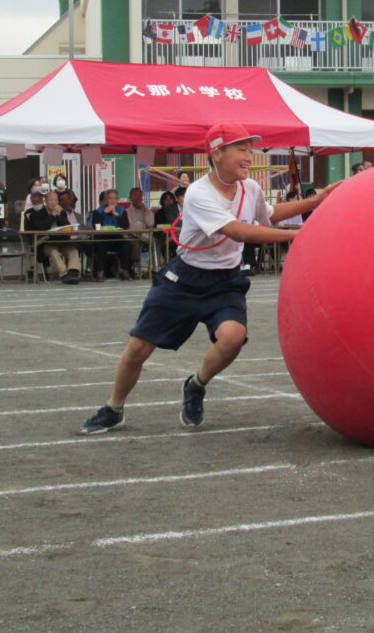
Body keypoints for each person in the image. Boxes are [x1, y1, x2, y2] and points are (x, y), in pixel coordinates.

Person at [79, 122, 340, 435]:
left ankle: (196, 384)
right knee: (138, 349)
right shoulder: (198, 193)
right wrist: (299, 235)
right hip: (184, 279)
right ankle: (114, 408)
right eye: (241, 149)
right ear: (216, 153)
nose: (249, 156)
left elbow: (267, 215)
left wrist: (315, 201)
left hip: (226, 281)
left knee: (232, 339)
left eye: (250, 149)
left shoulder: (250, 188)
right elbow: (237, 230)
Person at [26, 190, 82, 283]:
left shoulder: (62, 213)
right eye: (51, 200)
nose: (54, 202)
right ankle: (64, 274)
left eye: (56, 200)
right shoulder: (36, 215)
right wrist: (52, 215)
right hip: (46, 243)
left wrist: (59, 215)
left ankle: (73, 272)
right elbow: (42, 229)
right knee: (53, 252)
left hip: (61, 241)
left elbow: (66, 227)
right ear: (45, 201)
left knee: (73, 250)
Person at [87, 189, 133, 281]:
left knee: (126, 244)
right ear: (105, 200)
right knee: (101, 244)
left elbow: (126, 226)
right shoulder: (98, 211)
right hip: (103, 237)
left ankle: (125, 271)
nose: (112, 201)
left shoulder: (121, 210)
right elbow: (95, 225)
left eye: (115, 198)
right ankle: (100, 272)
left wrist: (116, 214)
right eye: (110, 198)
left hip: (117, 237)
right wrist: (105, 212)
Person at [125, 187, 154, 278]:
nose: (138, 198)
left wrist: (144, 211)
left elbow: (151, 224)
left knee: (157, 242)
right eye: (135, 195)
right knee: (135, 243)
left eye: (140, 195)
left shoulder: (148, 211)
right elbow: (130, 226)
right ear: (131, 197)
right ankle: (136, 268)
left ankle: (155, 267)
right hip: (133, 236)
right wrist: (143, 225)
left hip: (147, 237)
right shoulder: (127, 212)